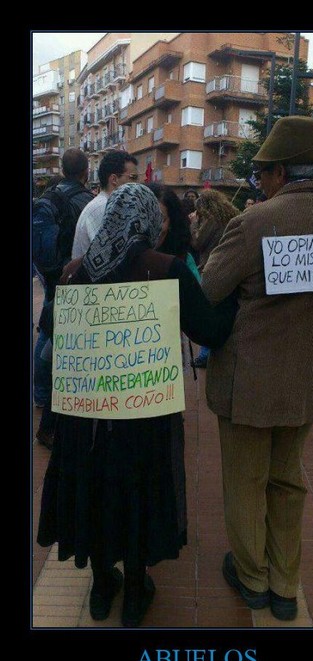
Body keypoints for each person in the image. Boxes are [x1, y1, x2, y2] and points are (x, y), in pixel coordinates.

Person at [37, 183, 237, 628]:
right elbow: (210, 331)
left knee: (93, 487)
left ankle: (101, 584)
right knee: (137, 490)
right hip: (143, 414)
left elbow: (50, 325)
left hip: (84, 417)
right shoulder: (165, 269)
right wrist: (238, 300)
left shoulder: (74, 272)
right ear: (145, 221)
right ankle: (134, 591)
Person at [201, 116, 313, 621]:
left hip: (247, 385)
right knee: (288, 481)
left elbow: (209, 289)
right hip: (309, 382)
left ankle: (252, 577)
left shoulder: (253, 223)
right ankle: (284, 584)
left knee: (246, 482)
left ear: (278, 172)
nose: (259, 182)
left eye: (261, 173)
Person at [34, 150, 93, 449]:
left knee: (47, 327)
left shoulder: (50, 195)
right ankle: (49, 398)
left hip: (49, 272)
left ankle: (40, 394)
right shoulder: (85, 200)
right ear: (85, 171)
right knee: (56, 335)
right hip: (70, 276)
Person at [190, 190, 239, 368]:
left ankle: (205, 354)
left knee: (208, 310)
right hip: (228, 268)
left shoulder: (212, 220)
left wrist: (193, 224)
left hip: (211, 267)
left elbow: (197, 243)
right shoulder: (231, 217)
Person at [72, 151, 139, 259]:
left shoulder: (107, 205)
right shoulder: (103, 208)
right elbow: (110, 258)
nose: (138, 183)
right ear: (114, 179)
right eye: (133, 177)